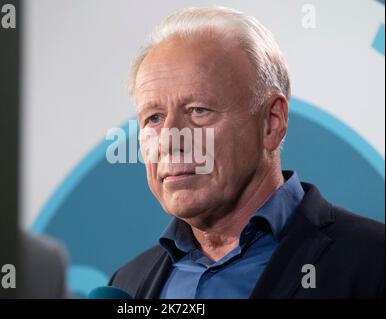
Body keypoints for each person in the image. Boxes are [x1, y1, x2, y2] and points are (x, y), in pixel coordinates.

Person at [109, 6, 384, 298]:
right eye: (153, 118)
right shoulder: (126, 284)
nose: (169, 140)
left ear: (271, 122)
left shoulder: (373, 262)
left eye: (198, 111)